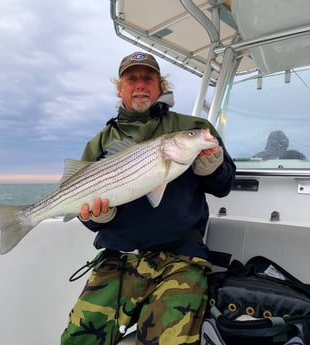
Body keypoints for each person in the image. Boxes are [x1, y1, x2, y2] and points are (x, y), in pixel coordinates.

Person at [61, 52, 236, 345]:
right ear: (120, 88)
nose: (140, 85)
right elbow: (84, 211)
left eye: (148, 78)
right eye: (132, 78)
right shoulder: (101, 142)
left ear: (160, 86)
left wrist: (214, 169)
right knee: (79, 339)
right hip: (118, 258)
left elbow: (224, 185)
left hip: (181, 259)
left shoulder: (190, 126)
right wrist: (99, 217)